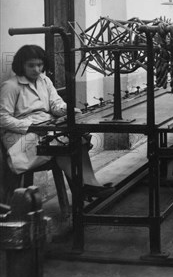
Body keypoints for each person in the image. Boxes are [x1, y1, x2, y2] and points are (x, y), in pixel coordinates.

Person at [0, 45, 113, 198]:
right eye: (31, 65)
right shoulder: (10, 86)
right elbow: (3, 118)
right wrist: (31, 127)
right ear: (21, 65)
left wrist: (69, 111)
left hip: (44, 129)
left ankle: (90, 183)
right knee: (61, 142)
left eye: (40, 65)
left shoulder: (44, 81)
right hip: (20, 138)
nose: (36, 69)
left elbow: (55, 104)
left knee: (75, 138)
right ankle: (85, 187)